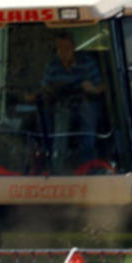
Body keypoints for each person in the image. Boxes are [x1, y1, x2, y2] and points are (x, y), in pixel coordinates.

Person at [34, 31, 106, 169]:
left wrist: (92, 89)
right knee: (59, 121)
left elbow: (102, 86)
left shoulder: (87, 63)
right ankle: (56, 162)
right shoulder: (53, 65)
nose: (63, 51)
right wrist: (51, 90)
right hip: (61, 103)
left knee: (87, 118)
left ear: (73, 48)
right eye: (60, 48)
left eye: (66, 48)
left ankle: (86, 162)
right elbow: (44, 87)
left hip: (86, 101)